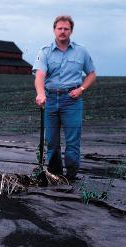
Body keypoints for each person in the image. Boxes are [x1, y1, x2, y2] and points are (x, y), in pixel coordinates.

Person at [33, 15, 96, 181]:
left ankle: (72, 176)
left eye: (66, 29)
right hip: (51, 99)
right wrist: (40, 93)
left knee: (72, 142)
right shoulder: (45, 51)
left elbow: (91, 74)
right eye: (59, 28)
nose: (62, 31)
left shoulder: (81, 51)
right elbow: (39, 75)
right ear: (54, 30)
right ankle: (55, 175)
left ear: (71, 31)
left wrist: (82, 89)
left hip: (72, 100)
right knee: (52, 143)